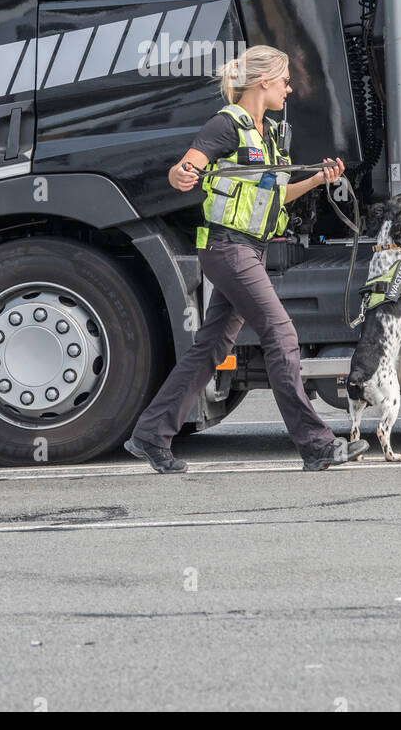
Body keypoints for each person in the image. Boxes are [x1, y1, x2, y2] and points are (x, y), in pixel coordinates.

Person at [125, 44, 369, 473]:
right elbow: (187, 167)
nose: (289, 90)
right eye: (285, 82)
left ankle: (150, 435)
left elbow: (276, 193)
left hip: (248, 249)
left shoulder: (269, 133)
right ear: (264, 81)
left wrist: (315, 179)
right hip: (228, 248)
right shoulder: (227, 126)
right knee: (280, 334)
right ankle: (316, 445)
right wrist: (180, 174)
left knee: (212, 346)